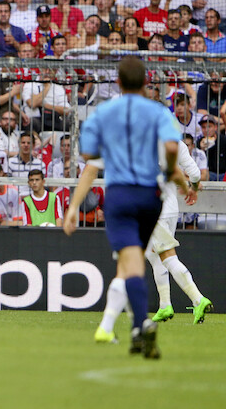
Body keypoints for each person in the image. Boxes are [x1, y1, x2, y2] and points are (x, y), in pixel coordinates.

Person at [64, 56, 190, 359]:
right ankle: (136, 327)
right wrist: (175, 175)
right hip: (150, 197)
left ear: (118, 83)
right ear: (146, 82)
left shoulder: (104, 113)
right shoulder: (158, 112)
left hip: (120, 196)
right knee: (138, 261)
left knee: (131, 264)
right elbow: (172, 148)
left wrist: (73, 207)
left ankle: (140, 323)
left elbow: (88, 159)